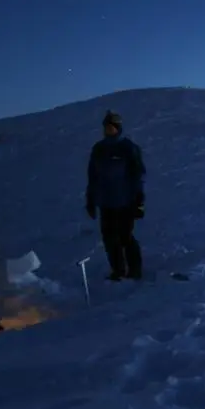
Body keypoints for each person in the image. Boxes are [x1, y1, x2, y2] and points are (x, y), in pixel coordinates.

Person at [85, 110, 146, 281]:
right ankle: (117, 271)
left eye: (111, 127)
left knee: (125, 236)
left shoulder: (128, 148)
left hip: (125, 201)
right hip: (106, 203)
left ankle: (135, 270)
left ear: (118, 128)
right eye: (106, 127)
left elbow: (138, 176)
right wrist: (90, 200)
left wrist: (139, 201)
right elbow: (92, 176)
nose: (108, 130)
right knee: (109, 239)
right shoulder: (99, 149)